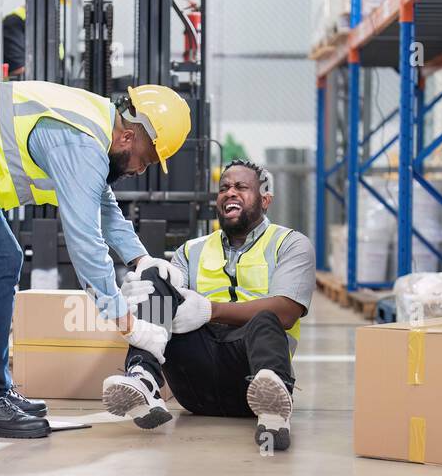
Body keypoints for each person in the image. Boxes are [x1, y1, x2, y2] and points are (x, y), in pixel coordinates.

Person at [0, 80, 191, 439]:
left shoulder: (95, 127)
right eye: (147, 160)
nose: (141, 170)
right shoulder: (80, 144)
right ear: (128, 139)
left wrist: (142, 260)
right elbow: (85, 243)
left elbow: (104, 206)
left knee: (1, 259)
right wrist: (130, 326)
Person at [101, 159, 316, 451]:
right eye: (224, 188)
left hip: (251, 379)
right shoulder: (190, 251)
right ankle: (145, 379)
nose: (230, 193)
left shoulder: (290, 244)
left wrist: (210, 310)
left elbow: (287, 312)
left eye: (242, 187)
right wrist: (142, 294)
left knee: (266, 319)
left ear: (265, 199)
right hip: (195, 386)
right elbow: (166, 306)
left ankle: (273, 416)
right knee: (155, 273)